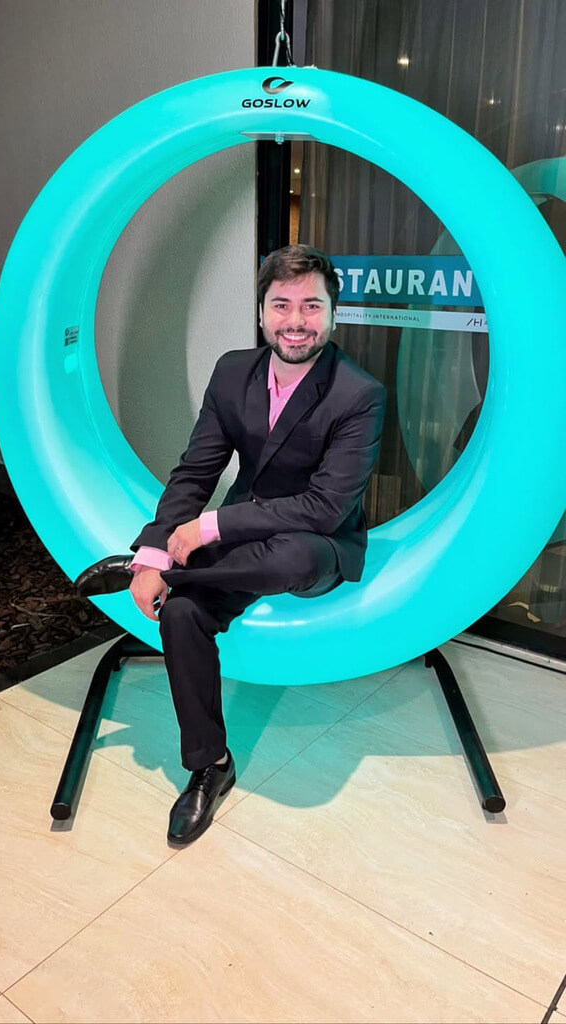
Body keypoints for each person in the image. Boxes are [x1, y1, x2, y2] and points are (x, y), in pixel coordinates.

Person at [128, 244, 386, 846]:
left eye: (311, 306)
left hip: (317, 542)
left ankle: (171, 574)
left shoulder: (359, 394)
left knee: (292, 555)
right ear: (262, 312)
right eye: (282, 305)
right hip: (246, 536)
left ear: (333, 313)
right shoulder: (231, 372)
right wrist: (156, 549)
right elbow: (195, 471)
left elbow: (324, 507)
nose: (296, 320)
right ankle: (209, 766)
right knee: (182, 614)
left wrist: (206, 531)